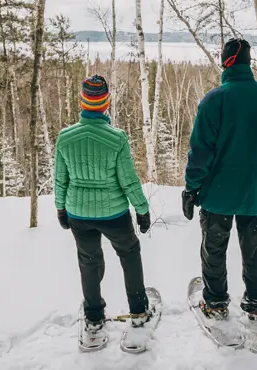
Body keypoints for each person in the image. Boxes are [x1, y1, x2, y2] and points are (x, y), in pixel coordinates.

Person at [182, 39, 257, 323]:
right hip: (256, 193)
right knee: (255, 250)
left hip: (217, 195)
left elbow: (200, 153)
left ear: (225, 62)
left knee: (214, 249)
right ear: (247, 62)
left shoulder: (214, 100)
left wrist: (192, 188)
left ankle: (216, 302)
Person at [54, 75, 153, 350]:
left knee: (89, 261)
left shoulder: (65, 138)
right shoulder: (116, 139)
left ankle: (94, 319)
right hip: (114, 214)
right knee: (130, 254)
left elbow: (60, 179)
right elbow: (129, 180)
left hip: (78, 214)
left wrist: (61, 209)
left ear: (82, 102)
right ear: (106, 103)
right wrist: (142, 210)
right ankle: (138, 310)